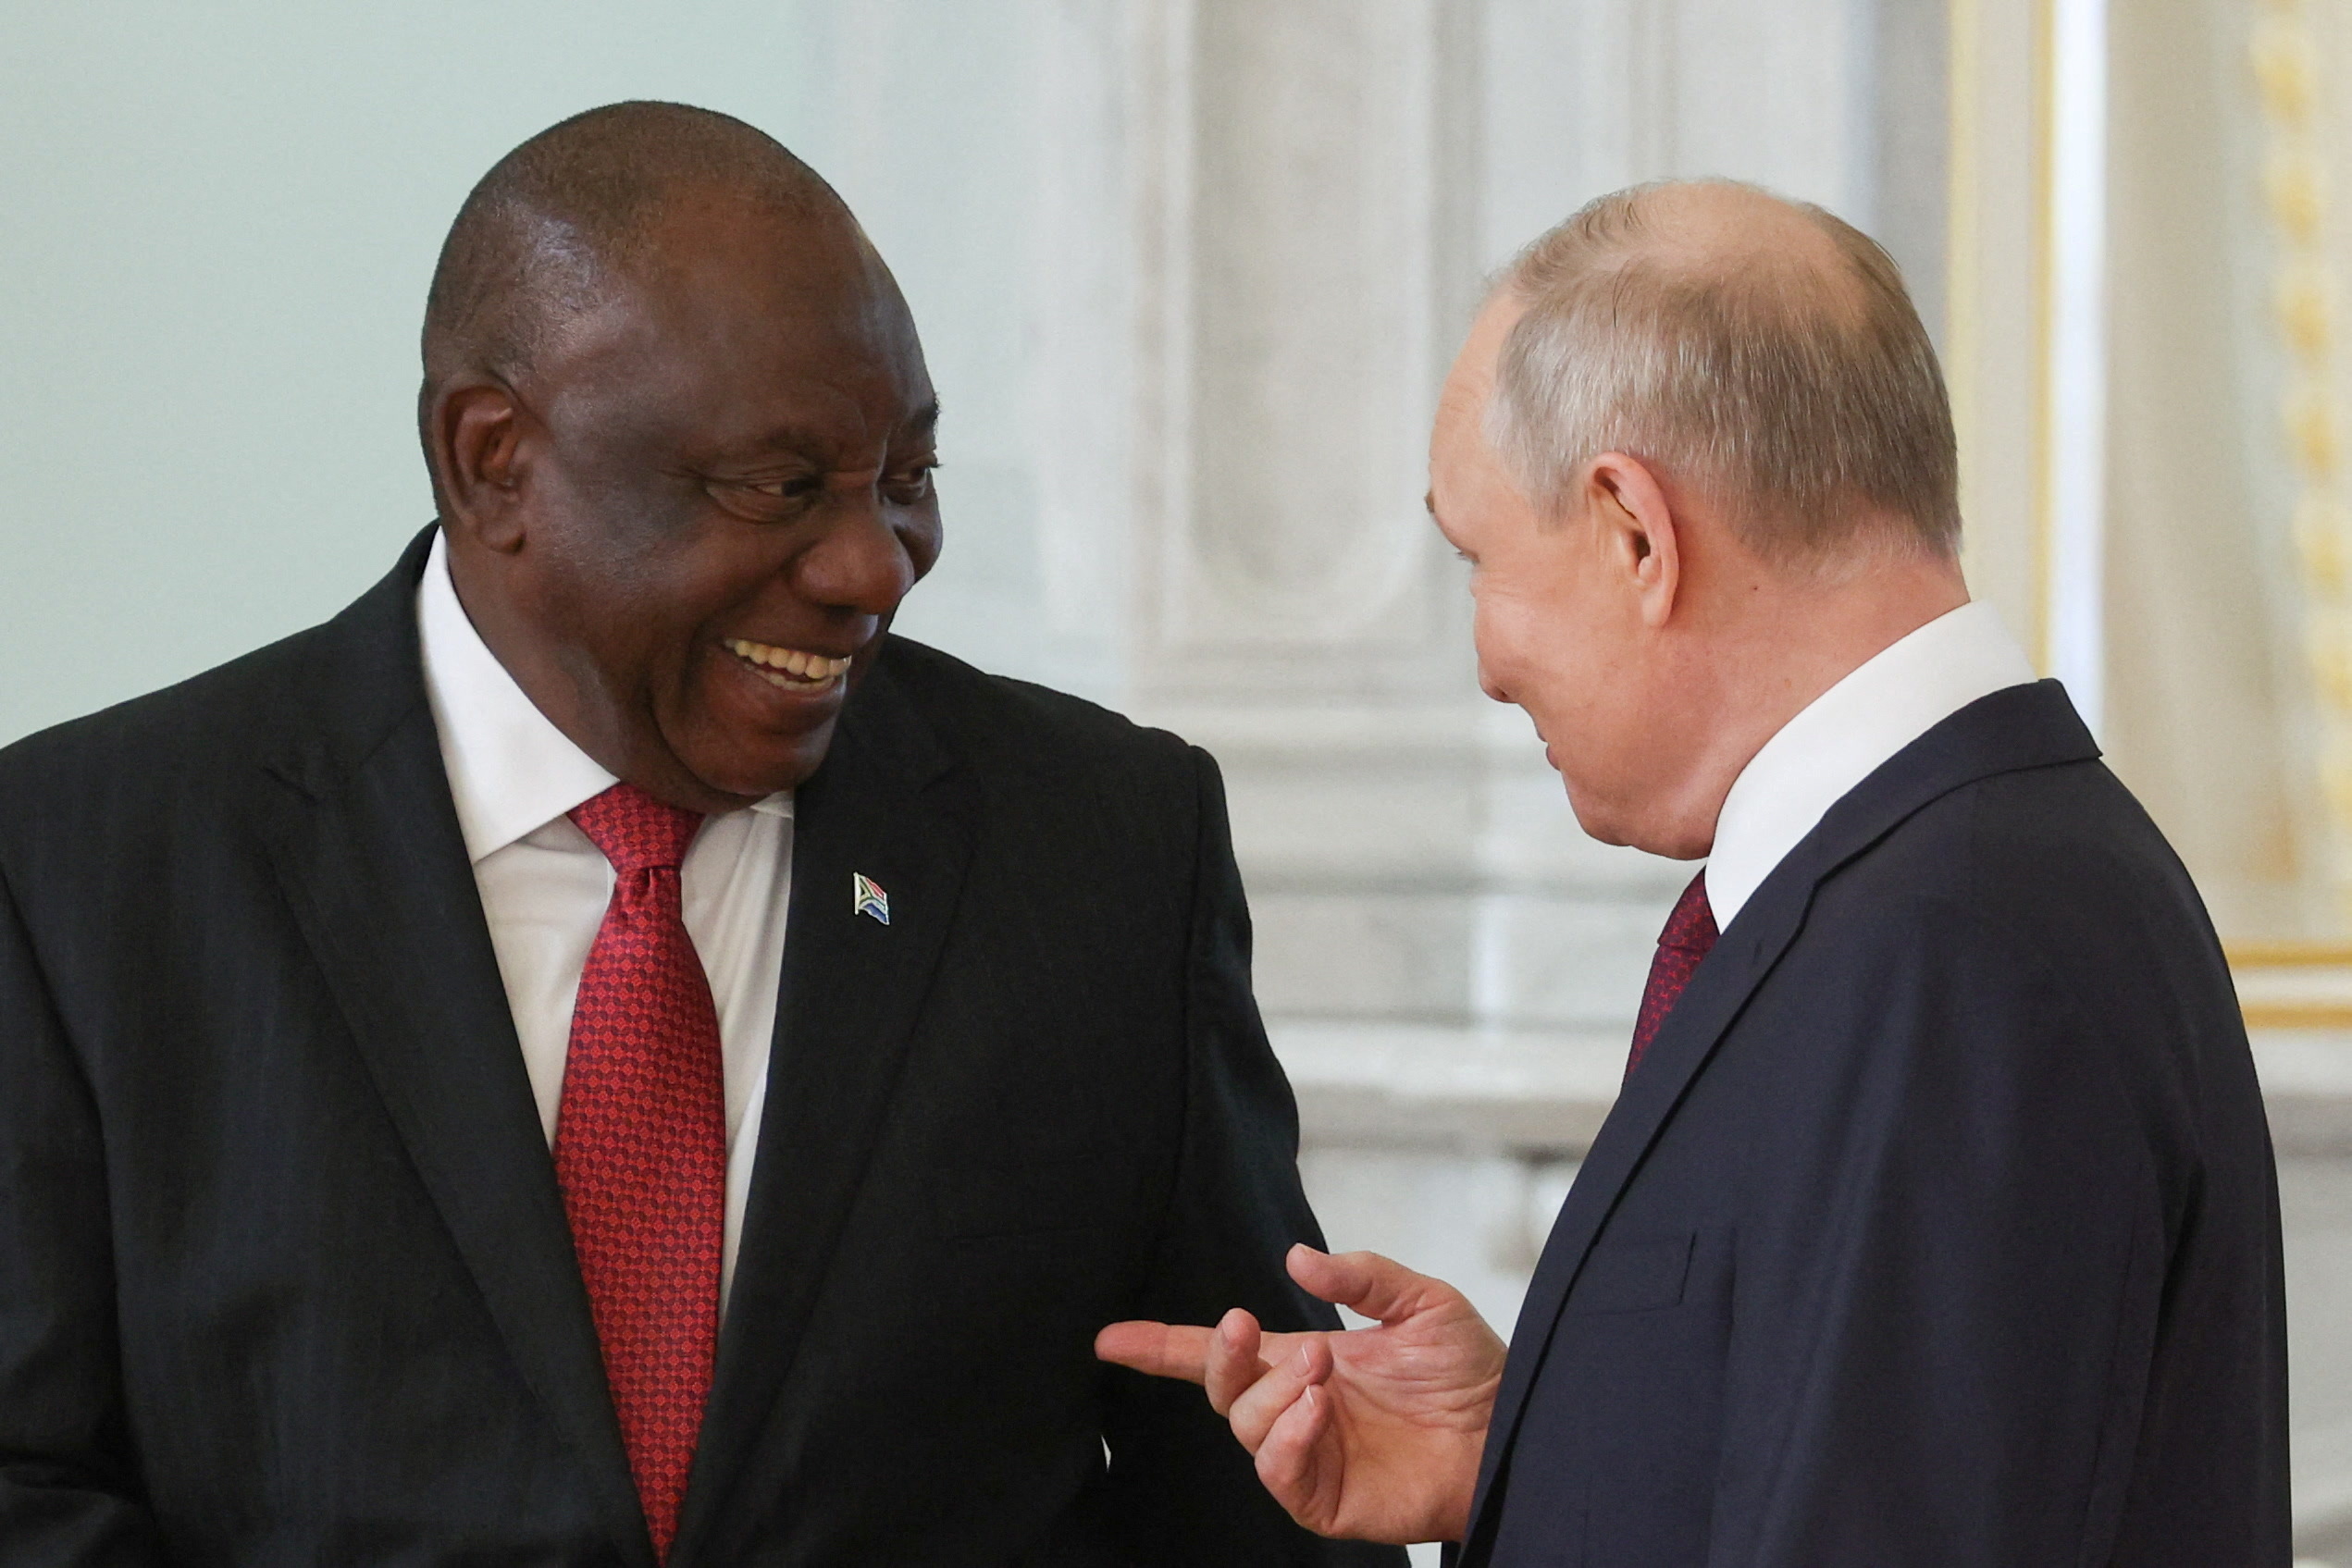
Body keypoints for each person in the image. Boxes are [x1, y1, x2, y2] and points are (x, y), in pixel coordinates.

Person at [0, 102, 1402, 1568]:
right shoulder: (85, 865)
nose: (873, 567)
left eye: (904, 480)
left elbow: (1261, 1476)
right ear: (492, 461)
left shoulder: (1099, 843)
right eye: (776, 488)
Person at [1099, 179, 2291, 1564]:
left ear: (1635, 532)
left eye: (1479, 560)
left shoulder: (1950, 950)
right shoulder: (1947, 883)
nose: (1485, 664)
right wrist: (1536, 1451)